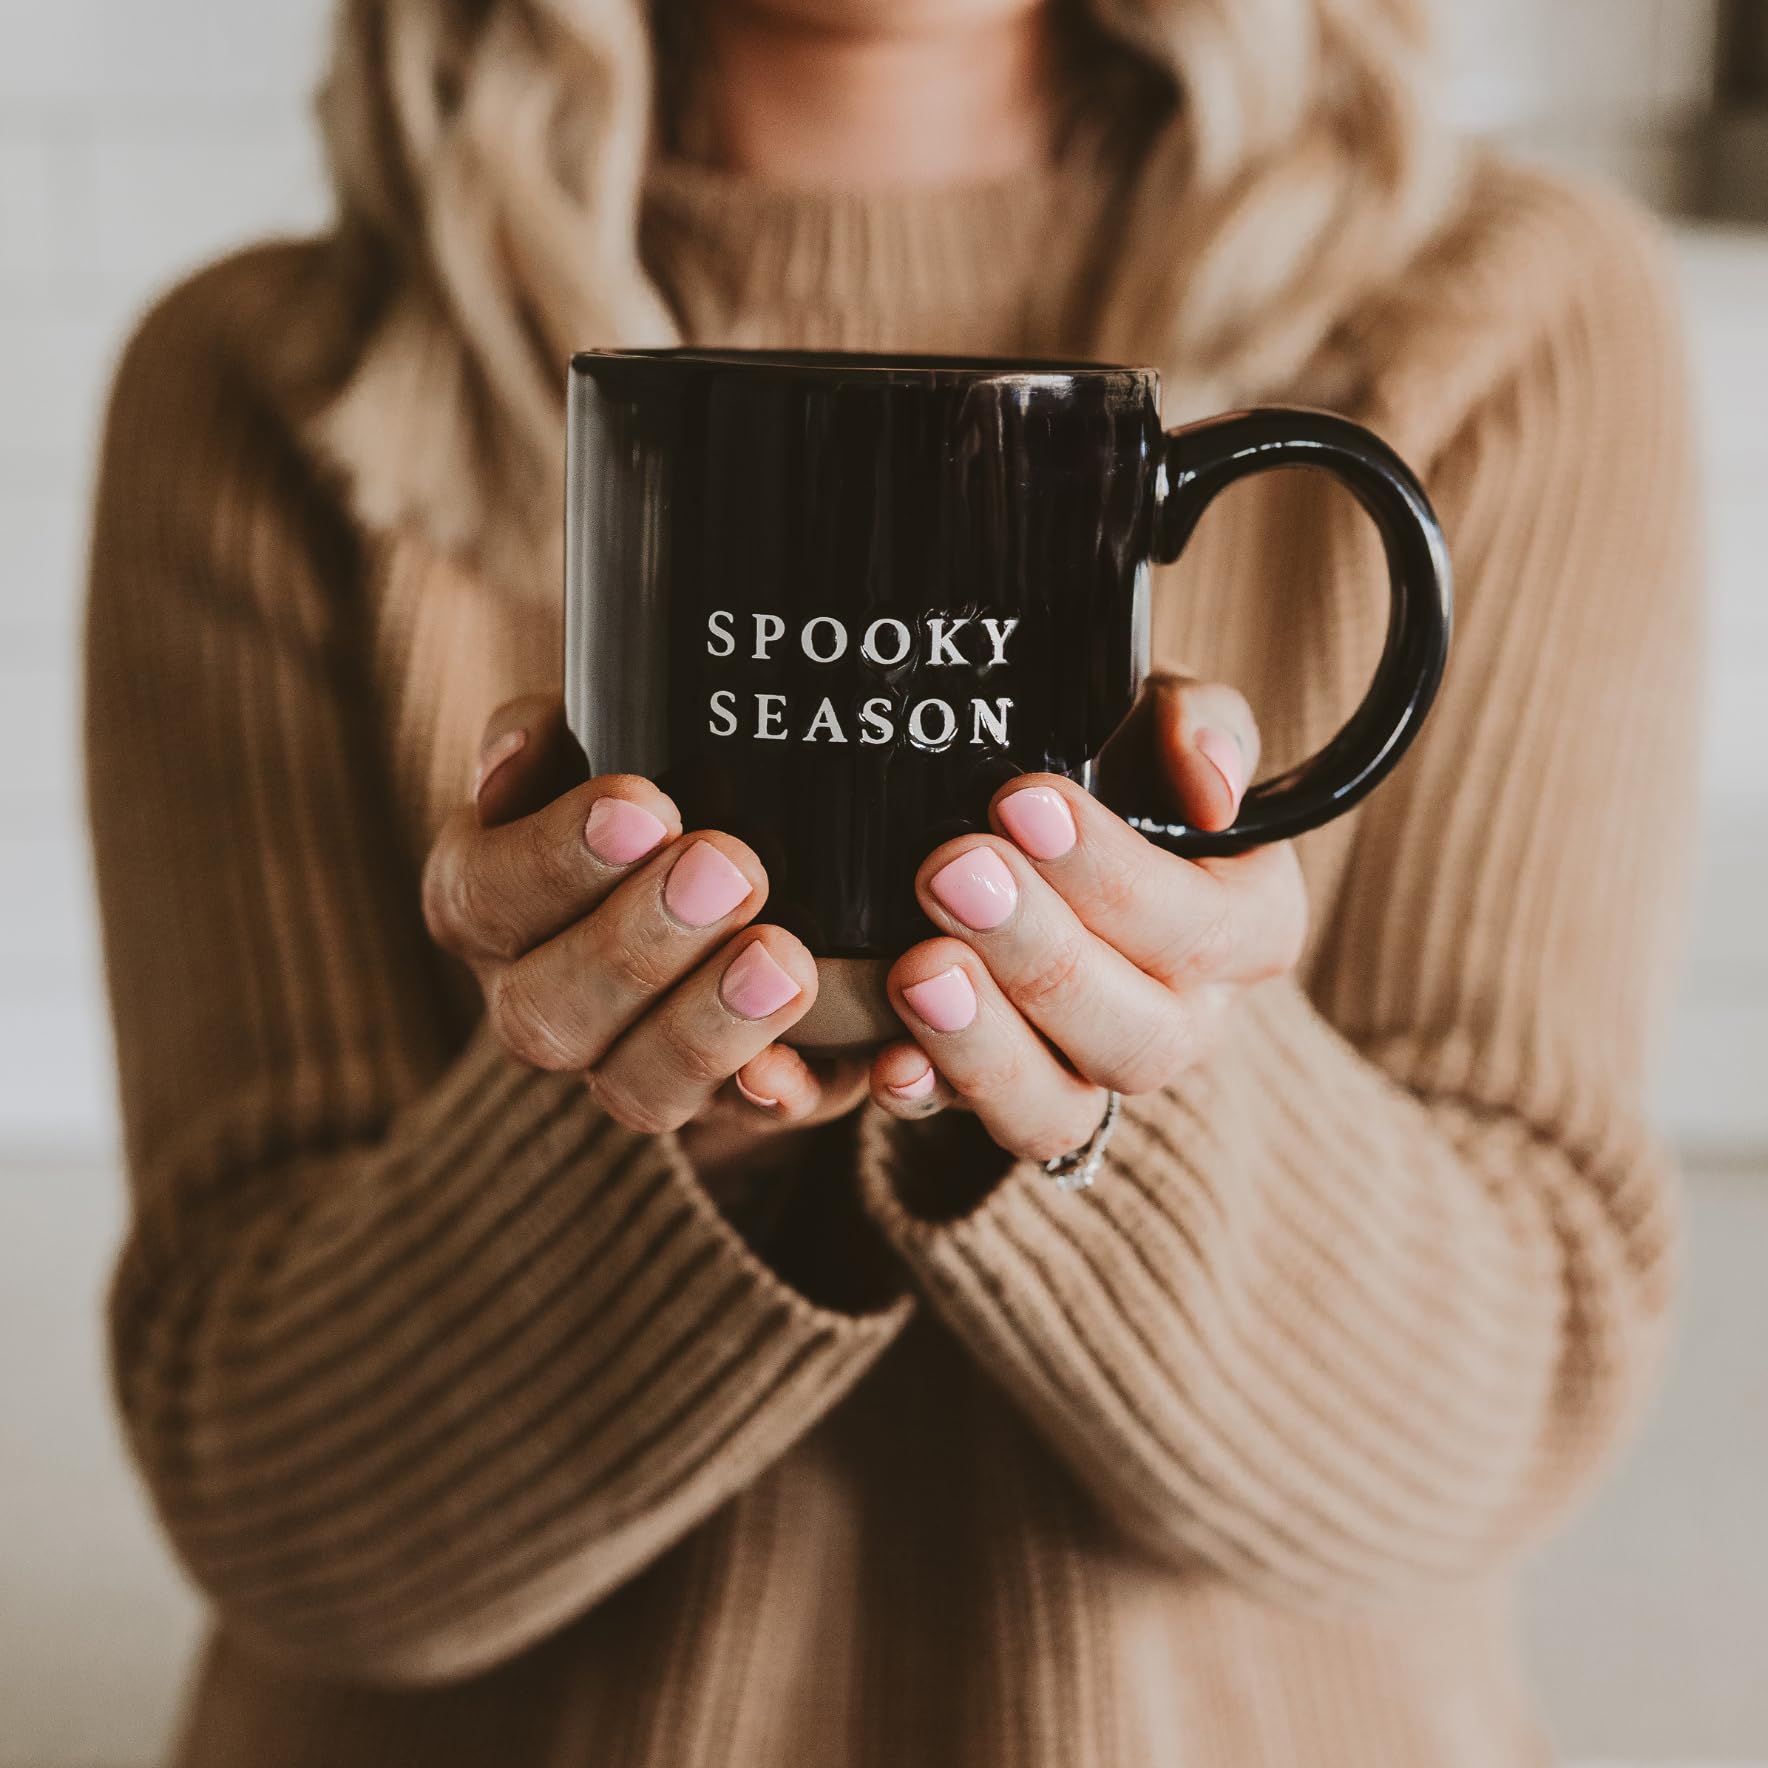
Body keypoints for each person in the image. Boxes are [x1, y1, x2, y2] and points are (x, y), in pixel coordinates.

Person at [85, 0, 1700, 1763]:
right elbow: (277, 1513)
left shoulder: (1518, 318)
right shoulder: (268, 382)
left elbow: (1503, 1420)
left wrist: (1136, 1068)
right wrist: (674, 1094)